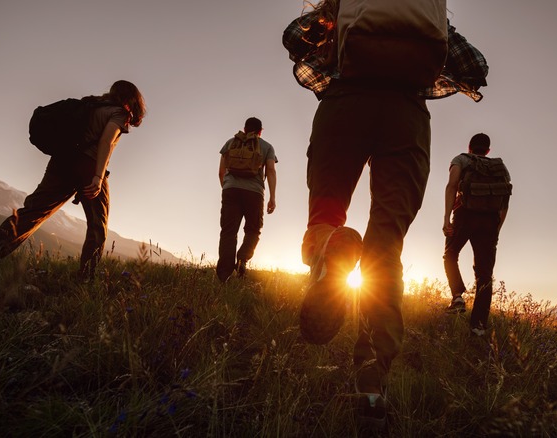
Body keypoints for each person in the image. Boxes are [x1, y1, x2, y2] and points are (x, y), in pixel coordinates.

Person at [283, 0, 488, 430]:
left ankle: (328, 245)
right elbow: (476, 65)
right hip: (406, 117)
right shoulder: (425, 9)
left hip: (344, 104)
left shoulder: (343, 3)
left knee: (326, 211)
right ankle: (373, 379)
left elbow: (293, 37)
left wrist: (331, 25)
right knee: (386, 244)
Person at [0, 80, 146, 280]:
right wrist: (98, 175)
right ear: (132, 99)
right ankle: (85, 279)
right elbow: (106, 141)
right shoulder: (119, 113)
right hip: (89, 168)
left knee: (32, 213)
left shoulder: (91, 105)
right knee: (97, 225)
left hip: (62, 162)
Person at [442, 133, 510, 334]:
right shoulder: (500, 168)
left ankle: (457, 297)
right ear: (488, 150)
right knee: (484, 275)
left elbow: (452, 185)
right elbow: (505, 200)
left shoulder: (461, 159)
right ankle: (478, 327)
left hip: (464, 215)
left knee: (450, 255)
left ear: (470, 147)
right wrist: (497, 229)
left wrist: (447, 217)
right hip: (490, 221)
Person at [216, 117, 277, 282]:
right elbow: (270, 170)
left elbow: (221, 172)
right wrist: (272, 197)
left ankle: (224, 276)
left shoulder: (230, 143)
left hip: (230, 190)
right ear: (260, 131)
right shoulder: (266, 146)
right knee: (253, 229)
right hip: (254, 193)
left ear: (244, 128)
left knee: (228, 232)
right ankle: (243, 258)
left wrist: (228, 188)